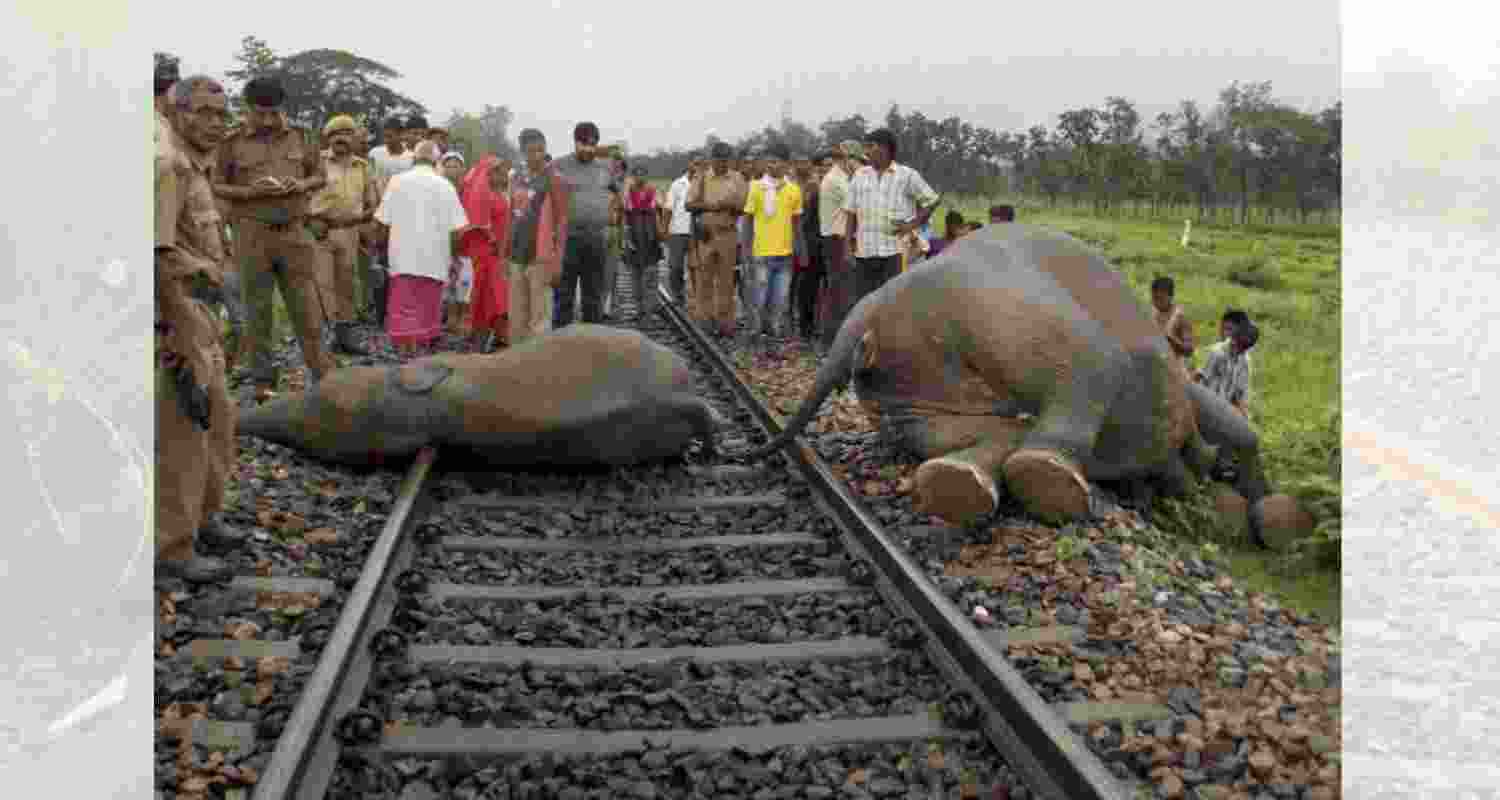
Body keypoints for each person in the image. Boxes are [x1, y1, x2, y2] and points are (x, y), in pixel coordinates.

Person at [155, 75, 240, 583]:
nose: (212, 122)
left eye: (219, 113)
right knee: (185, 429)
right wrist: (180, 328)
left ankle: (206, 518)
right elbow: (156, 254)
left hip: (204, 311)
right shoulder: (169, 167)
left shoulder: (196, 167)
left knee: (218, 419)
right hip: (178, 310)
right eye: (201, 112)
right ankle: (172, 546)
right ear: (175, 110)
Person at [214, 75, 333, 405]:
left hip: (295, 232)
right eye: (260, 113)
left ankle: (324, 380)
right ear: (247, 109)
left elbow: (320, 175)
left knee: (305, 308)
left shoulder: (301, 135)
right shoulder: (230, 141)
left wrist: (300, 185)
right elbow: (216, 184)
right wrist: (249, 192)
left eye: (273, 113)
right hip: (251, 233)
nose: (267, 120)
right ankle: (264, 386)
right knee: (258, 312)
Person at [373, 141, 473, 357]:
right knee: (426, 316)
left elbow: (381, 223)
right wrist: (454, 256)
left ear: (413, 159)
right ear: (437, 162)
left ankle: (404, 361)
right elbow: (459, 230)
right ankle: (421, 363)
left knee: (403, 315)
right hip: (434, 263)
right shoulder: (445, 186)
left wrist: (377, 252)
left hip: (402, 260)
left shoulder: (397, 182)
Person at [842, 128, 940, 310]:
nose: (866, 152)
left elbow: (932, 200)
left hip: (895, 252)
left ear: (885, 149)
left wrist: (912, 224)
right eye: (866, 147)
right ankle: (868, 338)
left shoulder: (907, 175)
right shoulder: (859, 175)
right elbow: (850, 212)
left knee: (893, 302)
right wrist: (847, 246)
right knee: (865, 303)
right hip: (865, 251)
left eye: (870, 146)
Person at [307, 114, 379, 357]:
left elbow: (372, 204)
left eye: (347, 134)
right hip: (320, 233)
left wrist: (360, 221)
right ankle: (323, 340)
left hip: (350, 233)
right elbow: (299, 198)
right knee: (322, 285)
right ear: (327, 138)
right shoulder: (317, 163)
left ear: (354, 138)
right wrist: (310, 221)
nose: (341, 139)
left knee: (347, 287)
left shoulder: (363, 167)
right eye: (335, 134)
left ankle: (345, 339)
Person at [508, 128, 570, 344]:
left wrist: (558, 261)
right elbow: (511, 214)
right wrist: (504, 254)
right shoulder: (516, 177)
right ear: (522, 152)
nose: (536, 156)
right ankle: (516, 362)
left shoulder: (555, 179)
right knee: (516, 315)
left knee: (540, 317)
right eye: (531, 151)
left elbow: (562, 221)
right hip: (517, 254)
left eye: (541, 150)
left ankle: (538, 366)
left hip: (541, 256)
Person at [551, 122, 617, 326]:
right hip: (567, 238)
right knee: (564, 295)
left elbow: (616, 193)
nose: (588, 149)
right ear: (575, 142)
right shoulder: (559, 165)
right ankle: (561, 343)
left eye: (593, 145)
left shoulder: (606, 167)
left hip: (596, 239)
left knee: (593, 295)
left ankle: (591, 343)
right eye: (584, 144)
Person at [686, 142, 748, 338]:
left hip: (728, 234)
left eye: (725, 159)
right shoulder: (702, 177)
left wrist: (731, 205)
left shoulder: (737, 178)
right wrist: (713, 206)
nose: (722, 163)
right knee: (704, 280)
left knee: (726, 282)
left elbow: (744, 206)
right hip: (706, 234)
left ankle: (725, 324)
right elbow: (689, 204)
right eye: (718, 159)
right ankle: (704, 322)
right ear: (712, 159)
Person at [742, 144, 803, 339]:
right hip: (761, 252)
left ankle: (772, 331)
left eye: (775, 161)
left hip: (785, 254)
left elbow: (796, 224)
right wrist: (746, 251)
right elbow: (748, 221)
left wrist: (800, 250)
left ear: (786, 164)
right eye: (768, 161)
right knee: (759, 297)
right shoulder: (756, 187)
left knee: (779, 298)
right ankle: (756, 331)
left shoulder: (794, 190)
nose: (770, 165)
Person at [460, 155, 513, 351]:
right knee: (491, 293)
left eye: (503, 171)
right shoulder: (482, 194)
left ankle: (494, 336)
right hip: (488, 252)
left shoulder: (498, 192)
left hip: (498, 252)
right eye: (498, 171)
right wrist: (494, 242)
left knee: (493, 293)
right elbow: (478, 223)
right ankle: (490, 336)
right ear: (489, 173)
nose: (503, 174)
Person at [815, 140, 859, 351]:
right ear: (847, 159)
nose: (859, 165)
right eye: (857, 160)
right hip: (836, 240)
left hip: (838, 239)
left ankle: (832, 340)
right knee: (838, 292)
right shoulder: (836, 180)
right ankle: (831, 341)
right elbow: (857, 205)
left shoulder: (840, 178)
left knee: (840, 290)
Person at [1196, 309, 1257, 420]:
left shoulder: (1244, 360)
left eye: (1229, 330)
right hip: (1207, 406)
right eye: (1224, 329)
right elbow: (1200, 380)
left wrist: (1243, 415)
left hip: (1225, 411)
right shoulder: (1216, 353)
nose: (1226, 334)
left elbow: (1240, 394)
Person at [790, 154, 825, 343]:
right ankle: (805, 327)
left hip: (824, 243)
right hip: (807, 244)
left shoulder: (819, 185)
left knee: (817, 289)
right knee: (805, 288)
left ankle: (816, 326)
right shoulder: (800, 187)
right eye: (799, 162)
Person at [625, 165, 663, 319]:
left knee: (651, 274)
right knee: (635, 275)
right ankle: (639, 308)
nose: (640, 177)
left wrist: (660, 235)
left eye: (643, 174)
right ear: (633, 176)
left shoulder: (654, 191)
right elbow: (624, 215)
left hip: (650, 235)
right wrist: (627, 239)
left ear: (647, 176)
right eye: (637, 175)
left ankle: (650, 309)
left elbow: (660, 210)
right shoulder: (628, 193)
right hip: (634, 234)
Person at [1149, 275, 1195, 370]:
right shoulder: (1150, 314)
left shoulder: (1180, 318)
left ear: (1170, 296)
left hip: (1175, 371)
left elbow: (1189, 350)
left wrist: (1169, 339)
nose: (1155, 302)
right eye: (1154, 298)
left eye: (1160, 298)